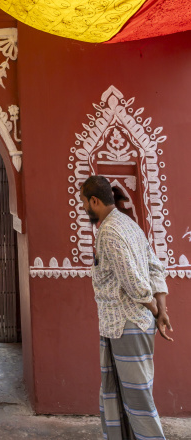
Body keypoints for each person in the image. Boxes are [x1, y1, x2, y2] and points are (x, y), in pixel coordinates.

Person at [80, 175, 173, 440]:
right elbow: (155, 266)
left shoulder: (109, 232)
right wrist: (161, 309)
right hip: (127, 325)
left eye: (84, 203)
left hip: (126, 326)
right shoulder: (129, 224)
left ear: (95, 201)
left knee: (137, 399)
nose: (84, 208)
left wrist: (156, 311)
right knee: (120, 395)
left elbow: (133, 282)